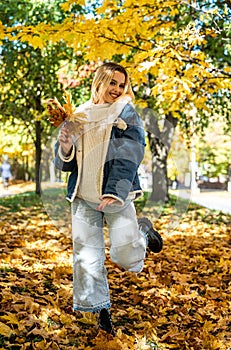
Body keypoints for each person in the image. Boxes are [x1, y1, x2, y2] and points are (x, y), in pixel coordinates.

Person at [53, 62, 163, 335]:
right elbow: (66, 163)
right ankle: (101, 311)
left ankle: (142, 231)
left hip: (117, 194)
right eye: (112, 83)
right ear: (99, 82)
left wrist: (114, 191)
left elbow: (132, 150)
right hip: (83, 197)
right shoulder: (79, 114)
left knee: (125, 255)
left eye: (121, 84)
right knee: (87, 259)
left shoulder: (125, 112)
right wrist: (65, 145)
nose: (116, 89)